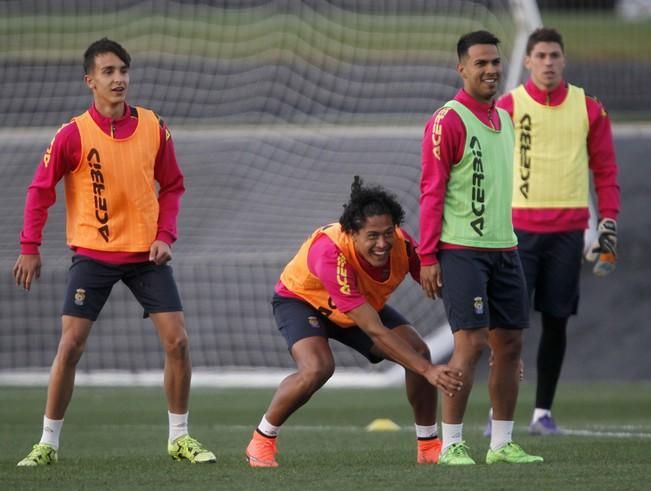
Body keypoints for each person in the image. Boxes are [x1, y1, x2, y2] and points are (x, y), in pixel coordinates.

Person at [13, 38, 215, 466]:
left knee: (178, 341)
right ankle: (47, 443)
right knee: (70, 346)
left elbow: (174, 185)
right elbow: (39, 190)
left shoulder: (153, 126)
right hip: (93, 255)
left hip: (147, 255)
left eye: (123, 70)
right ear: (90, 81)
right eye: (108, 72)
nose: (118, 79)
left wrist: (166, 235)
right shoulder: (72, 134)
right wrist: (29, 247)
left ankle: (179, 437)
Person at [245, 176, 464, 468]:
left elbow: (442, 286)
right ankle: (262, 440)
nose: (382, 243)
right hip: (303, 302)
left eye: (388, 233)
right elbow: (374, 329)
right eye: (372, 236)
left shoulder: (403, 246)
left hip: (359, 304)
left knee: (419, 351)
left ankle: (428, 447)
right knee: (318, 368)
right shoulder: (329, 252)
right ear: (353, 233)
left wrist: (484, 334)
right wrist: (429, 371)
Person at [485, 27, 620, 436]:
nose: (548, 62)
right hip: (517, 234)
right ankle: (497, 415)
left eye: (554, 55)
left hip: (568, 232)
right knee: (508, 327)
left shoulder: (588, 107)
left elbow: (606, 170)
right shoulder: (506, 107)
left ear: (564, 60)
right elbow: (489, 172)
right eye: (540, 55)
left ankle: (542, 412)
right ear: (527, 61)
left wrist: (608, 223)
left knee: (557, 321)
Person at [419, 30, 543, 465]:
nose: (490, 70)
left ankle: (501, 444)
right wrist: (428, 256)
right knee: (469, 343)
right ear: (462, 69)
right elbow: (432, 192)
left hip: (505, 250)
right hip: (461, 251)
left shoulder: (504, 120)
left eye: (495, 63)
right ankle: (451, 444)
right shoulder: (448, 120)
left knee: (509, 344)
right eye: (481, 64)